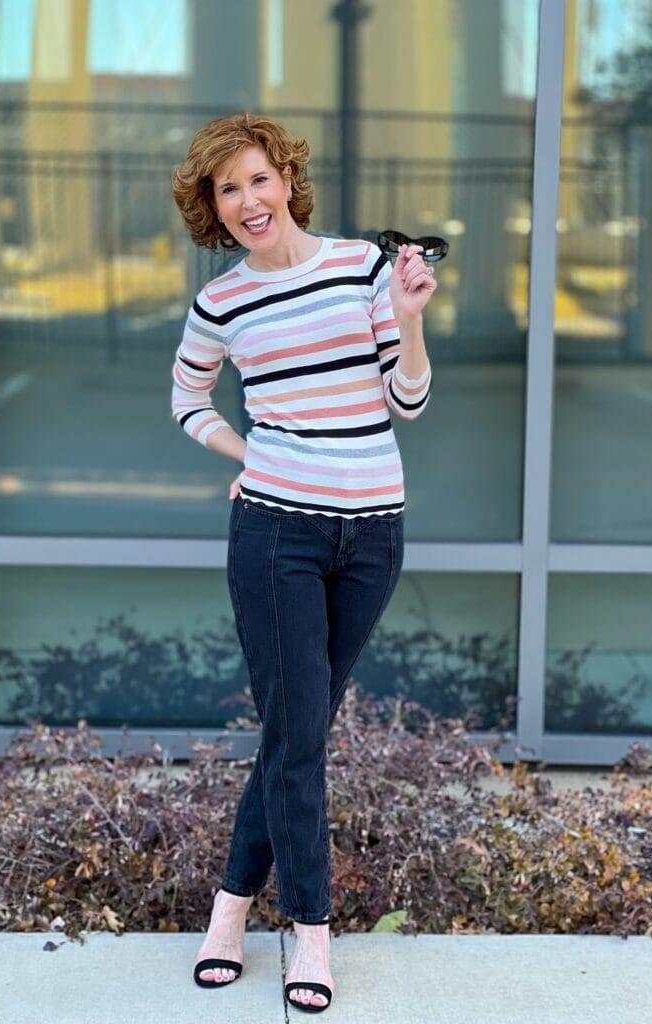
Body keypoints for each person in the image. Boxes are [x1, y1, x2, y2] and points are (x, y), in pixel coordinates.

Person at [170, 111, 436, 1013]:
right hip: (275, 534)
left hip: (371, 535)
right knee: (299, 741)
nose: (248, 200)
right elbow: (186, 398)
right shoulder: (222, 303)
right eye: (227, 188)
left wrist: (406, 317)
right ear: (213, 205)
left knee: (295, 736)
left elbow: (407, 398)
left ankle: (228, 913)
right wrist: (252, 456)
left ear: (286, 177)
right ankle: (309, 935)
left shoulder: (362, 265)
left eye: (258, 179)